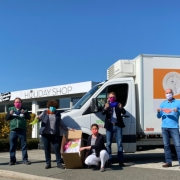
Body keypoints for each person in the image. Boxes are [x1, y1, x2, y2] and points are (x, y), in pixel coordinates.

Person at [37, 100, 75, 169]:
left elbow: (61, 124)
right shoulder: (45, 112)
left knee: (57, 149)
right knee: (47, 149)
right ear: (49, 106)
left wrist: (69, 129)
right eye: (51, 106)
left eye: (54, 107)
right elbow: (38, 119)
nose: (52, 108)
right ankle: (48, 163)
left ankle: (59, 163)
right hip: (45, 134)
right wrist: (37, 118)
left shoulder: (57, 114)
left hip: (55, 134)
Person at [157, 88, 180, 168]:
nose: (168, 94)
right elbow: (159, 117)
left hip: (174, 127)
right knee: (166, 145)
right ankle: (168, 162)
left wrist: (177, 111)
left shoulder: (178, 102)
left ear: (172, 94)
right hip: (164, 127)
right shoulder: (163, 104)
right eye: (167, 93)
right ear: (165, 94)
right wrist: (159, 112)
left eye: (170, 93)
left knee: (177, 145)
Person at [102, 92, 126, 167]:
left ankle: (121, 161)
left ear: (115, 98)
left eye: (113, 97)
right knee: (108, 144)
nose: (111, 98)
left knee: (120, 144)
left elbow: (124, 112)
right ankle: (109, 160)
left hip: (118, 126)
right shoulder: (107, 104)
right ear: (108, 98)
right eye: (110, 97)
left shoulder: (118, 104)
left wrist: (121, 108)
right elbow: (102, 112)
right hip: (109, 126)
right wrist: (105, 107)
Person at [5, 97, 31, 165]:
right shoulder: (10, 109)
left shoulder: (24, 109)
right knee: (12, 146)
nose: (17, 103)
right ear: (14, 103)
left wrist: (24, 113)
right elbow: (6, 118)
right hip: (13, 130)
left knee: (24, 145)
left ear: (21, 103)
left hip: (22, 129)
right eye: (16, 102)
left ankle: (25, 160)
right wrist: (9, 114)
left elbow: (29, 117)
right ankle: (12, 160)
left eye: (19, 102)